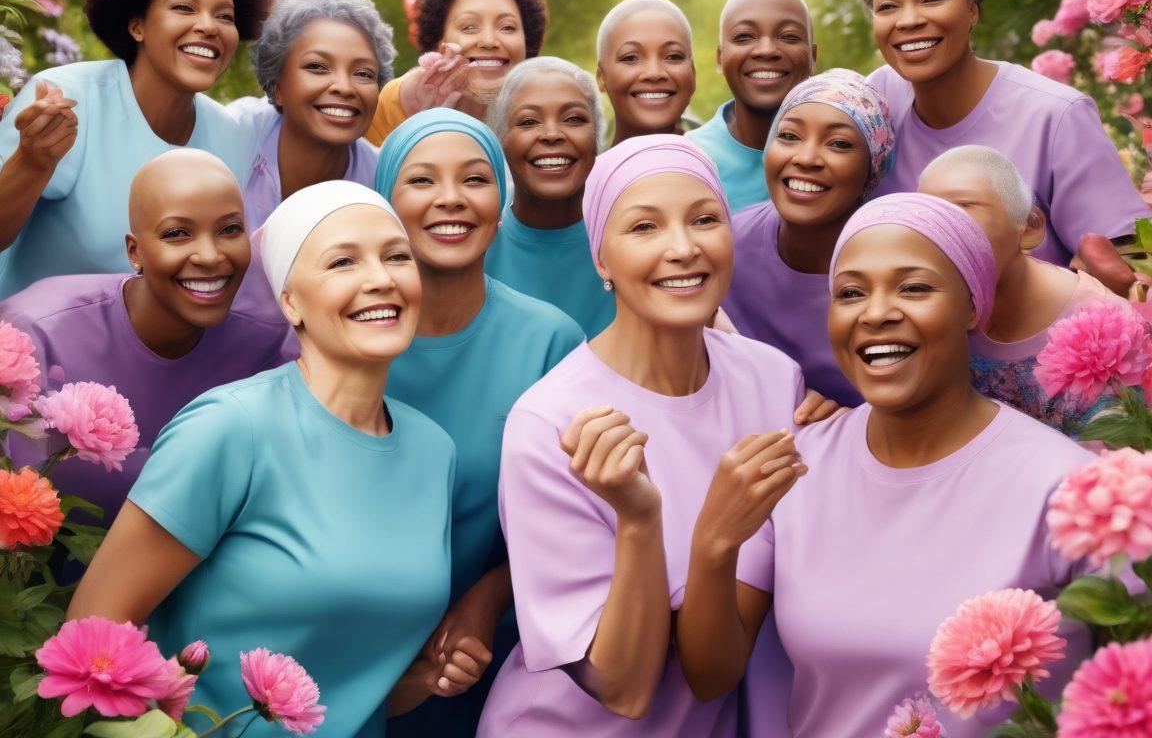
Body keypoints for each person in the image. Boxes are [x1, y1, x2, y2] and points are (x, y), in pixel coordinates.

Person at [677, 193, 1102, 738]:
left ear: (973, 304)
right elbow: (711, 675)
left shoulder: (1064, 487)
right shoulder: (797, 466)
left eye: (914, 287)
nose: (876, 313)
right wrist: (713, 542)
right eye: (850, 293)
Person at [68, 182, 481, 737]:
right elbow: (91, 634)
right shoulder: (230, 428)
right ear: (290, 300)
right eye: (342, 262)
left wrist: (426, 678)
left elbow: (355, 690)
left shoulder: (435, 451)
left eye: (397, 256)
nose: (380, 278)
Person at [478, 136, 837, 738]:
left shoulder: (772, 381)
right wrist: (639, 520)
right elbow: (623, 688)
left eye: (704, 219)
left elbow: (715, 670)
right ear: (601, 258)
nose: (682, 248)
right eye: (644, 227)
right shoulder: (549, 423)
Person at [375, 108, 583, 738]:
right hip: (360, 653)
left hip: (502, 655)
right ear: (384, 201)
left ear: (501, 201)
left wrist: (488, 600)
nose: (450, 200)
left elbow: (576, 526)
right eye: (421, 181)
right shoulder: (347, 333)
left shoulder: (551, 341)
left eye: (473, 180)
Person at [854, 0, 1147, 283]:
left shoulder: (1055, 116)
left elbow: (1130, 271)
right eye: (888, 5)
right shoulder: (874, 105)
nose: (909, 20)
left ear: (972, 10)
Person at [0, 0, 277, 297]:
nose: (208, 26)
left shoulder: (230, 137)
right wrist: (32, 160)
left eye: (225, 16)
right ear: (137, 25)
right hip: (30, 348)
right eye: (184, 7)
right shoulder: (69, 98)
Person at [3, 149, 289, 526]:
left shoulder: (266, 344)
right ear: (135, 251)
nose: (209, 255)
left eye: (229, 229)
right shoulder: (35, 331)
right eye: (177, 234)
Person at [724, 69, 894, 405]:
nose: (806, 158)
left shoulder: (897, 267)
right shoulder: (726, 245)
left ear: (872, 166)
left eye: (839, 144)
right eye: (789, 136)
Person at [918, 145, 1117, 431]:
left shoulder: (1105, 323)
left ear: (1029, 226)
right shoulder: (931, 309)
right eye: (926, 216)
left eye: (961, 208)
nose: (939, 229)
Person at [230, 0, 393, 230]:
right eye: (317, 67)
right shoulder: (232, 136)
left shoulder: (384, 183)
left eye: (363, 73)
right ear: (277, 87)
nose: (344, 87)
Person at [485, 57, 617, 336]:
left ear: (597, 135)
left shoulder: (633, 233)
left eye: (573, 119)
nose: (552, 134)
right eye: (528, 121)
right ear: (500, 139)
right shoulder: (475, 237)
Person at [366, 0, 549, 145]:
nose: (489, 40)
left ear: (526, 41)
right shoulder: (399, 105)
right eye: (469, 27)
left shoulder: (548, 115)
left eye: (507, 27)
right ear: (439, 40)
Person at [687, 0, 816, 212]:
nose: (766, 50)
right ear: (719, 58)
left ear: (812, 57)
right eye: (744, 37)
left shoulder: (842, 156)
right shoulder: (688, 159)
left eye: (789, 36)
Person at [596, 0, 696, 146]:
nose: (654, 73)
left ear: (693, 74)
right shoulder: (588, 169)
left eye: (673, 56)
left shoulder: (721, 167)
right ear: (601, 77)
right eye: (630, 58)